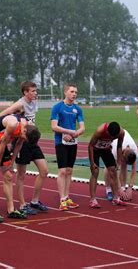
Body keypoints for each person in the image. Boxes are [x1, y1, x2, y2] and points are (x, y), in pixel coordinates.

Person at [0, 81, 49, 215]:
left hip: (32, 140)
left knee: (44, 171)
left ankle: (35, 201)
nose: (35, 93)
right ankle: (22, 205)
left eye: (35, 91)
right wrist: (11, 129)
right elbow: (1, 116)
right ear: (25, 92)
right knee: (21, 175)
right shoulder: (20, 104)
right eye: (32, 91)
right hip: (21, 142)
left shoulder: (33, 103)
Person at [0, 114, 41, 223]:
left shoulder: (28, 129)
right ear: (24, 131)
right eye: (24, 137)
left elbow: (18, 145)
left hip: (3, 144)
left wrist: (12, 162)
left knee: (8, 176)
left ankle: (11, 209)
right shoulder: (13, 124)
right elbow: (3, 144)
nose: (23, 139)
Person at [50, 83, 85, 211]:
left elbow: (82, 127)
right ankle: (62, 199)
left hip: (73, 142)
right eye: (71, 91)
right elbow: (54, 126)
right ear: (65, 92)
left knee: (69, 171)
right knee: (63, 171)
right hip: (60, 142)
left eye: (76, 92)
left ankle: (67, 196)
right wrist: (69, 132)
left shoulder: (78, 109)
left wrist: (75, 133)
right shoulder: (57, 107)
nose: (74, 94)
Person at [87, 121, 127, 208]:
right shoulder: (100, 130)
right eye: (110, 136)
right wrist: (92, 163)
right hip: (95, 149)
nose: (111, 138)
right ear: (107, 131)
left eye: (113, 137)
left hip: (106, 149)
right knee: (95, 172)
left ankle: (116, 198)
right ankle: (93, 200)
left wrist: (118, 161)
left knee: (113, 170)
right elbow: (90, 146)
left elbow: (119, 146)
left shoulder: (121, 133)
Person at [106, 129, 138, 202]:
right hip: (110, 138)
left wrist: (130, 188)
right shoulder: (115, 150)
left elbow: (134, 170)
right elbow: (114, 172)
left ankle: (123, 187)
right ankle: (108, 189)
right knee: (108, 167)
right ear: (122, 155)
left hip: (123, 140)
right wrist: (118, 188)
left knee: (124, 166)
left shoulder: (134, 150)